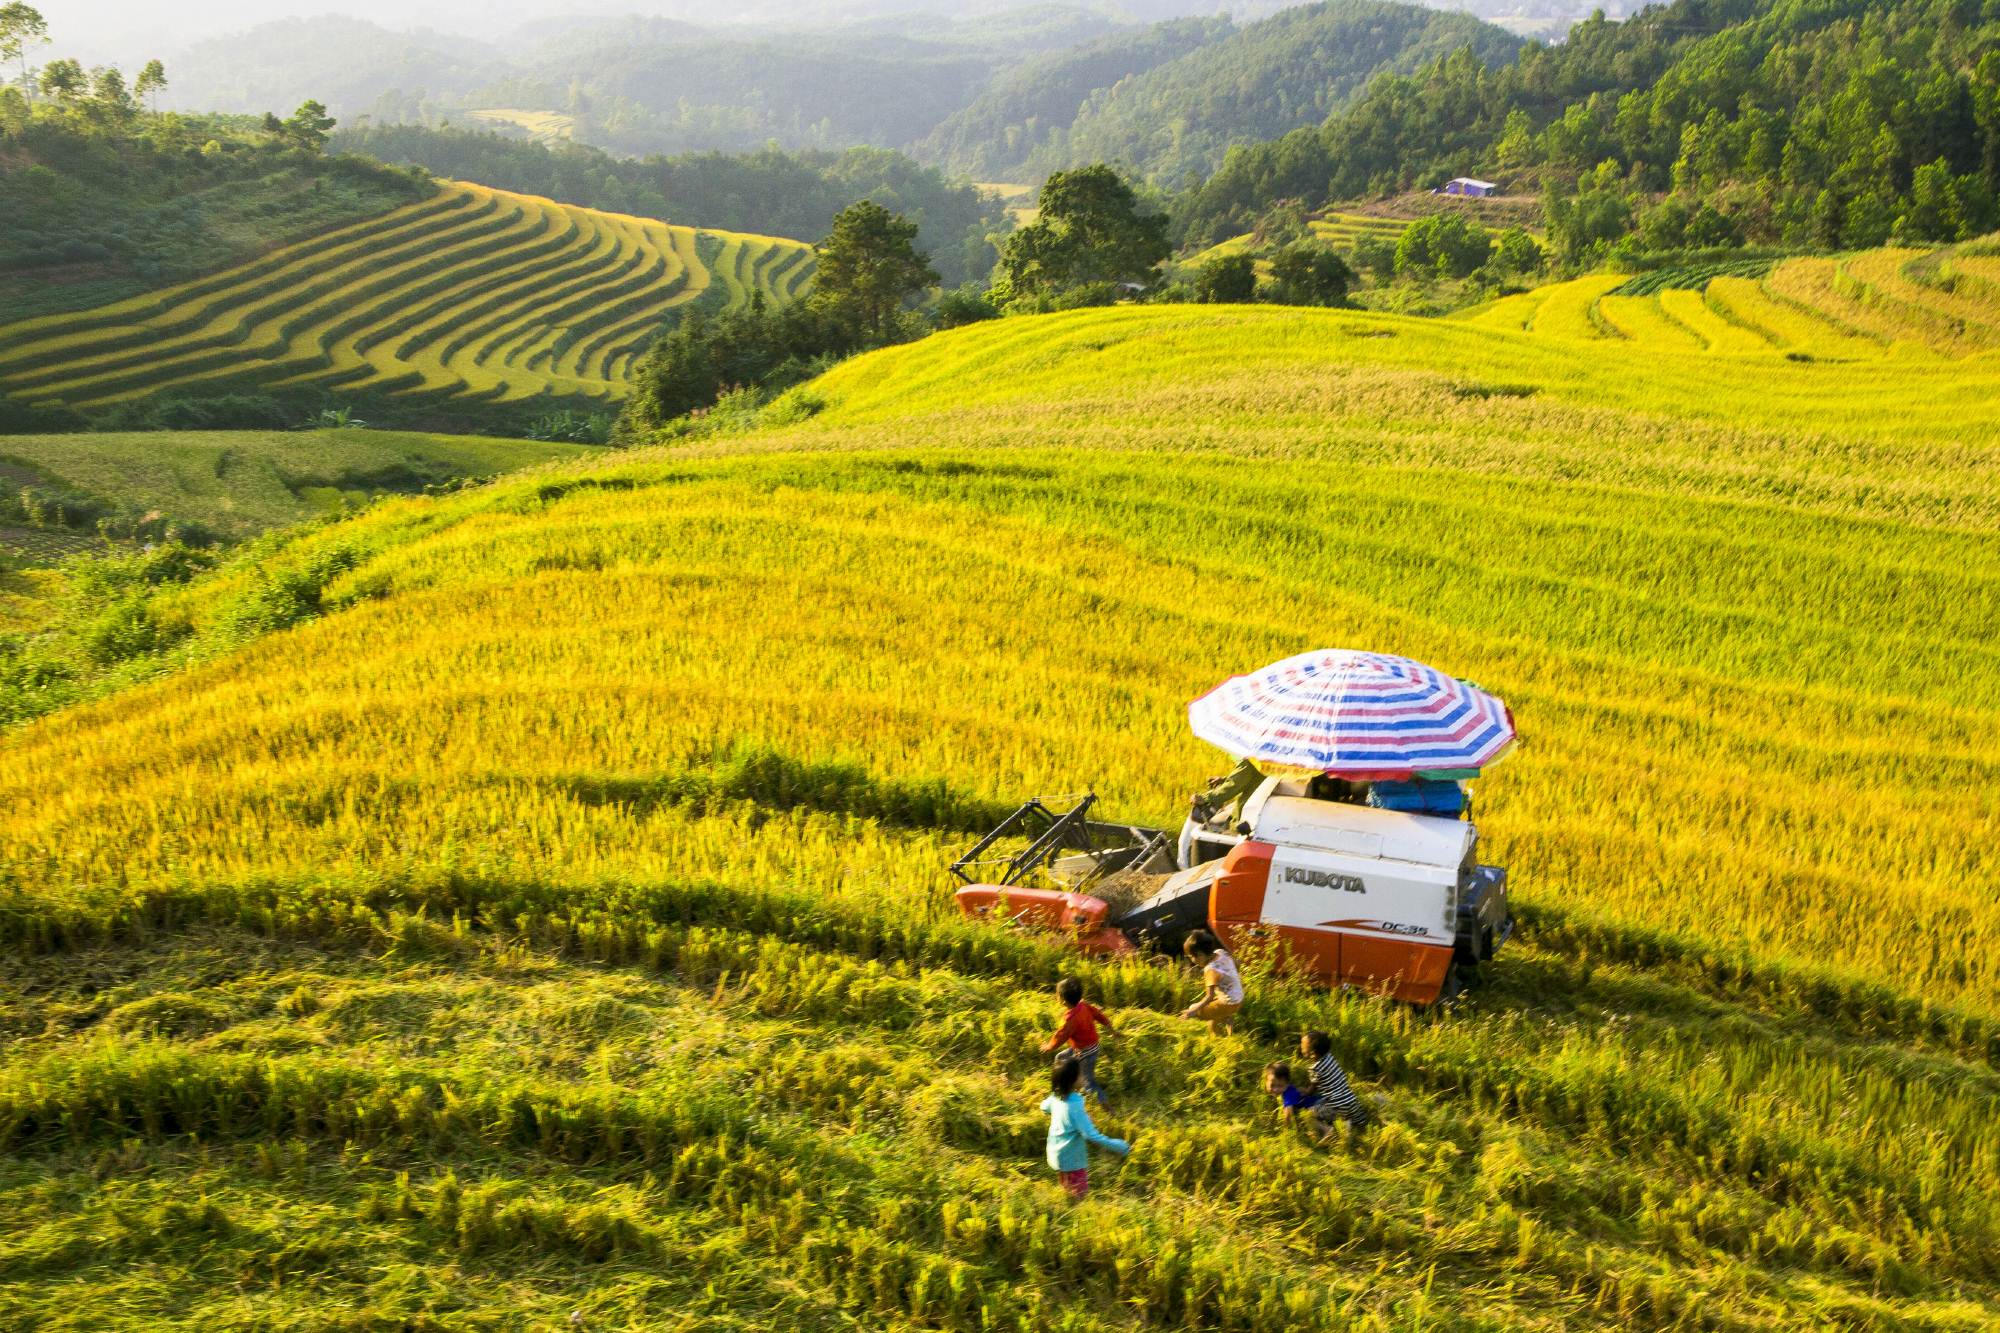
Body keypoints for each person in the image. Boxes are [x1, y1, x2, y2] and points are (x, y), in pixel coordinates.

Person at [1041, 1053, 1129, 1200]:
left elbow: (1043, 1107)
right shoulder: (1075, 1106)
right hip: (1072, 1160)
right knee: (1080, 1196)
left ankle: (1065, 1202)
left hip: (1055, 1153)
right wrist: (1119, 1146)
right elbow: (1091, 1135)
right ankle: (1076, 1207)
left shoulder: (1055, 1097)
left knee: (1066, 1188)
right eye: (1081, 1074)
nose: (1084, 1076)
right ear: (1073, 1080)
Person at [1042, 977, 1115, 1105]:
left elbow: (1060, 1037)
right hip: (1088, 1046)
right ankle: (1066, 1086)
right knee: (1060, 1058)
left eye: (1057, 994)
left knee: (1088, 1083)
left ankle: (1107, 1107)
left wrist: (1048, 1047)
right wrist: (1109, 1026)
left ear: (1063, 1000)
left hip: (1086, 1052)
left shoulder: (1069, 1020)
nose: (1055, 996)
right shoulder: (1083, 1005)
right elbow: (1097, 1014)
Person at [1299, 1029, 1372, 1138]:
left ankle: (1328, 1130)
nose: (1301, 1046)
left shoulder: (1314, 1069)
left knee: (1308, 1114)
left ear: (1313, 1053)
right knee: (1361, 1123)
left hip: (1336, 1107)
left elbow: (1312, 1089)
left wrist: (1303, 1092)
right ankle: (1348, 1124)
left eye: (1303, 1045)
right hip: (1351, 1101)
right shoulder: (1330, 1058)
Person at [1179, 929, 1244, 1034]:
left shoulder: (1210, 969)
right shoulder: (1220, 952)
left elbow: (1209, 996)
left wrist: (1193, 1011)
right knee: (1214, 1016)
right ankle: (1225, 1022)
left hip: (1229, 1003)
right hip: (1239, 998)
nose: (1192, 960)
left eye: (1191, 956)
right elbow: (1237, 964)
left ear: (1200, 955)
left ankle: (1225, 1019)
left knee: (1196, 1008)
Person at [1262, 1061, 1318, 1130]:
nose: (1276, 1089)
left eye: (1280, 1086)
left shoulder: (1288, 1093)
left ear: (1287, 1083)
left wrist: (1285, 1128)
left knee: (1308, 1118)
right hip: (1314, 1106)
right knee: (1305, 1117)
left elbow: (1288, 1113)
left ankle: (1326, 1130)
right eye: (1272, 1085)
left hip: (1317, 1106)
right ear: (1266, 1081)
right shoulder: (1287, 1090)